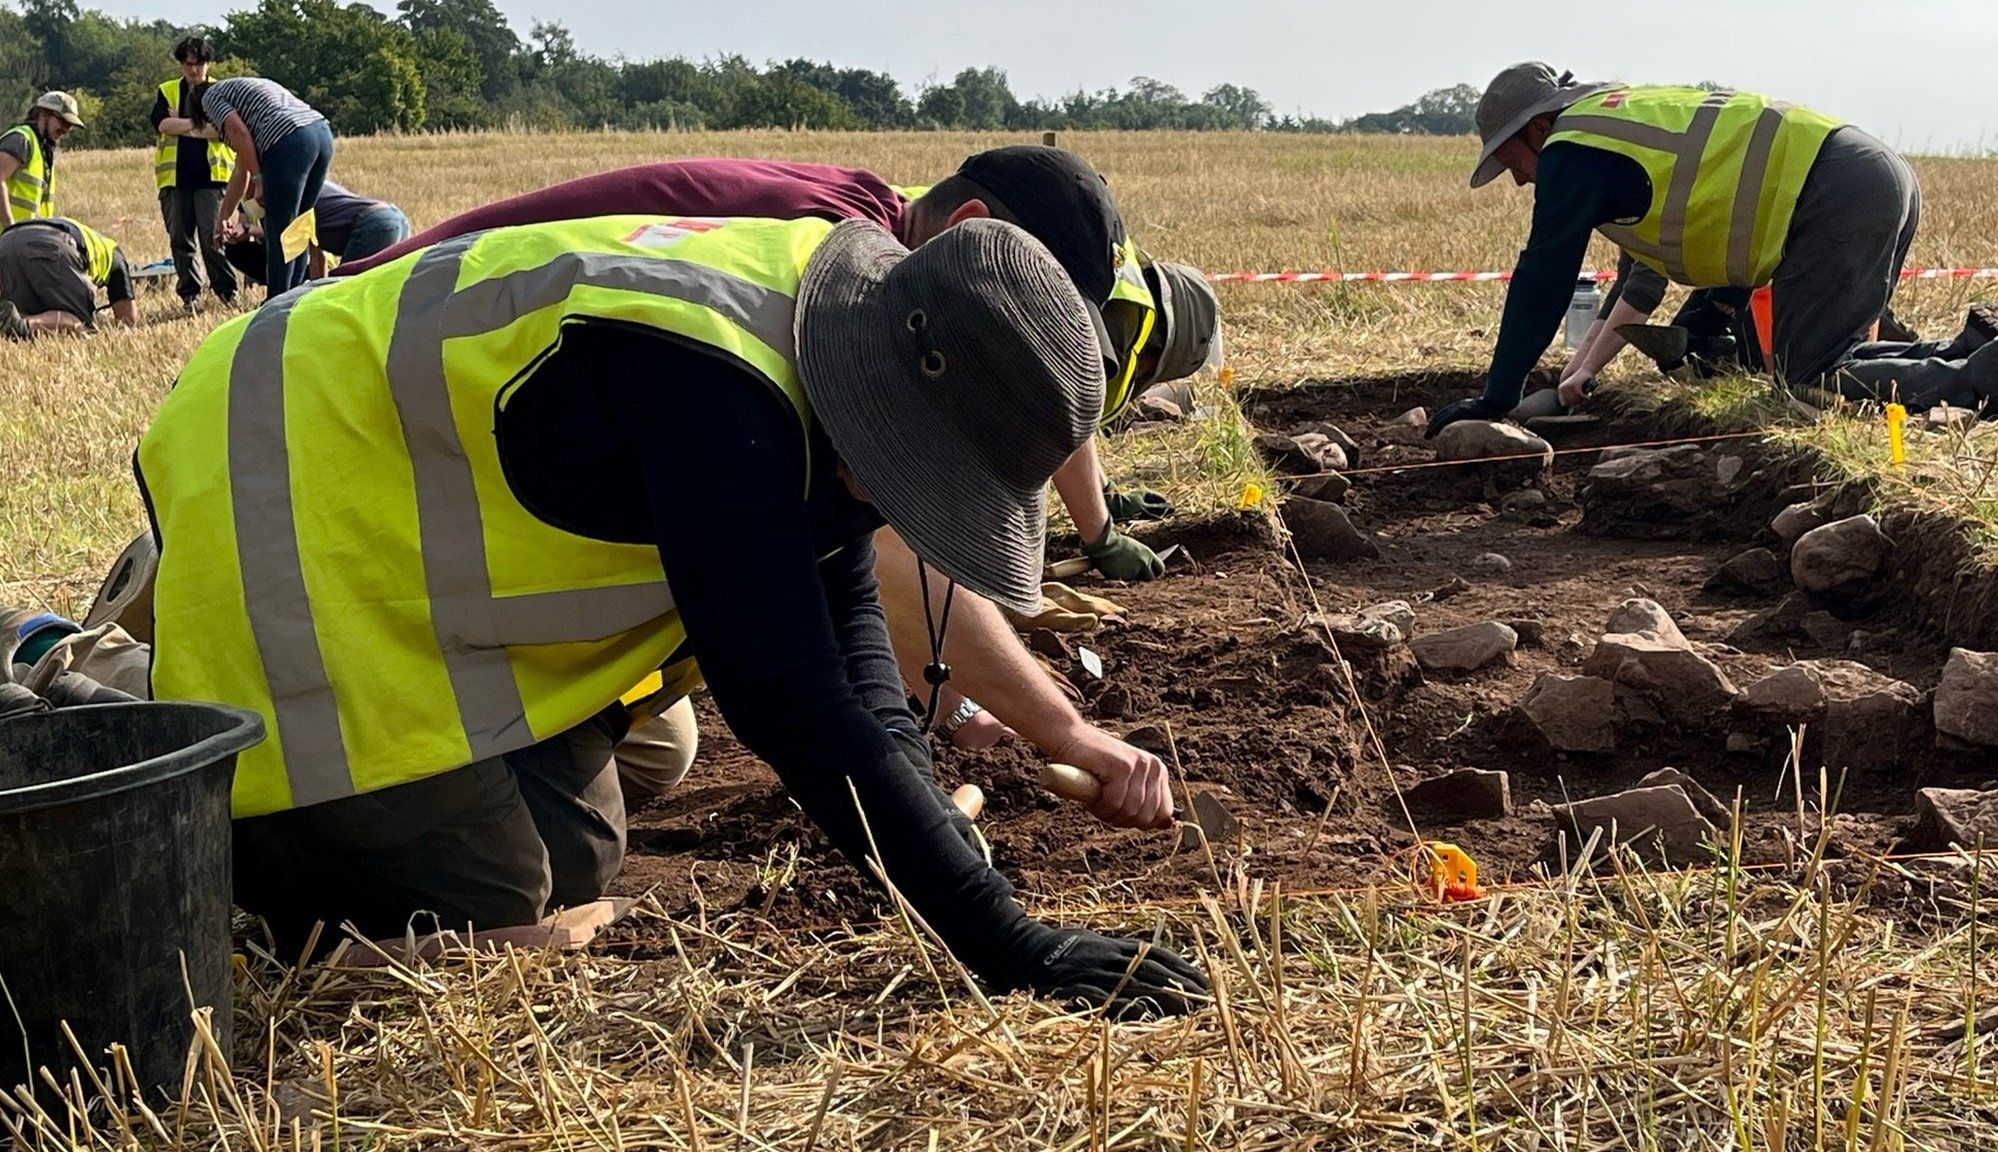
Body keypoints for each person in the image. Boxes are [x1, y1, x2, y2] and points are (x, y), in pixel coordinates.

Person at [137, 213, 1209, 1016]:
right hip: (283, 465)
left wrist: (939, 857)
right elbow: (787, 698)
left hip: (432, 573)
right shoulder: (716, 392)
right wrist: (1008, 945)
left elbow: (852, 662)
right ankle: (144, 771)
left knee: (576, 863)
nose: (905, 500)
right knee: (490, 918)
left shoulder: (839, 345)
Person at [334, 151, 1207, 825]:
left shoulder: (873, 247)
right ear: (969, 234)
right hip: (365, 426)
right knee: (549, 865)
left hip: (490, 460)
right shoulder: (811, 281)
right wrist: (1060, 731)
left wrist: (963, 705)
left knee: (660, 751)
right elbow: (877, 573)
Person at [1427, 62, 1972, 437]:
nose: (1521, 180)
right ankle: (1975, 348)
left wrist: (1498, 397)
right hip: (1865, 171)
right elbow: (1640, 283)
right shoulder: (1616, 126)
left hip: (1832, 191)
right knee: (1783, 351)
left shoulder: (1571, 151)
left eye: (1512, 162)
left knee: (1810, 376)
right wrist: (1581, 371)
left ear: (1538, 130)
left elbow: (1542, 278)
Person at [189, 76, 332, 297]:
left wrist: (259, 179)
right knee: (300, 226)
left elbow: (239, 133)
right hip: (320, 133)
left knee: (279, 228)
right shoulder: (243, 91)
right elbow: (240, 169)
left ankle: (277, 302)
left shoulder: (209, 97)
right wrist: (223, 218)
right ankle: (295, 298)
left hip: (287, 140)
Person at [150, 36, 240, 313]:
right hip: (175, 179)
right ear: (181, 64)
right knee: (180, 239)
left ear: (208, 64)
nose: (193, 70)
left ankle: (227, 293)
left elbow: (221, 131)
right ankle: (191, 296)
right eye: (188, 64)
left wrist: (184, 124)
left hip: (211, 178)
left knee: (213, 239)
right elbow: (163, 124)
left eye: (199, 64)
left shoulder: (221, 91)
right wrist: (198, 124)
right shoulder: (167, 91)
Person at [220, 181, 410, 283]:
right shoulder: (306, 184)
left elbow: (291, 246)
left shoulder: (287, 197)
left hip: (375, 226)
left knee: (345, 295)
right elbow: (316, 252)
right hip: (393, 219)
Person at [0, 216, 138, 338]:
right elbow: (128, 321)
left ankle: (15, 322)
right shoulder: (114, 255)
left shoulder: (90, 238)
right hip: (51, 246)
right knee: (81, 324)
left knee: (23, 310)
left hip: (6, 242)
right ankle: (22, 325)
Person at [0, 92, 84, 226]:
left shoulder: (43, 150)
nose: (65, 129)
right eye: (62, 121)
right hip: (7, 240)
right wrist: (9, 226)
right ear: (44, 113)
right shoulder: (20, 140)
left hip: (25, 239)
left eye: (69, 125)